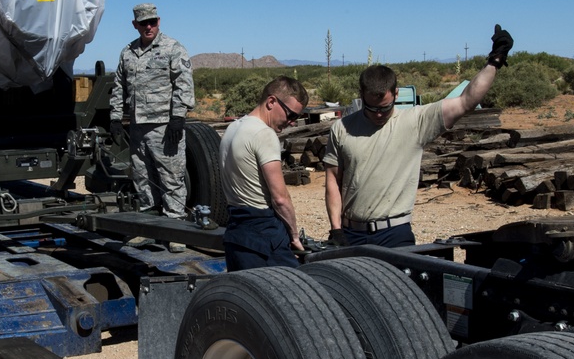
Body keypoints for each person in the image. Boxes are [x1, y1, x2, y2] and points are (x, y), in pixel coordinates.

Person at [325, 24, 513, 248]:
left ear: (396, 93)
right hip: (351, 233)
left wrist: (495, 61)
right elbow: (332, 183)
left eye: (385, 108)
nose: (378, 114)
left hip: (394, 233)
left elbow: (467, 101)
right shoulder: (342, 128)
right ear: (361, 95)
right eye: (371, 107)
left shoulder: (416, 121)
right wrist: (336, 230)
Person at [109, 3, 195, 252]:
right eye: (144, 23)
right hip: (137, 127)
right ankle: (148, 226)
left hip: (164, 126)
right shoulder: (128, 52)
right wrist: (116, 118)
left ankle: (175, 229)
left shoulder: (172, 48)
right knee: (142, 177)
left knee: (170, 176)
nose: (149, 27)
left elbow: (184, 84)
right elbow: (119, 86)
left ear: (159, 21)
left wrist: (178, 117)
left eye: (153, 22)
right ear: (135, 25)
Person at [220, 76, 309, 270]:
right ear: (271, 102)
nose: (292, 123)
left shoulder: (232, 128)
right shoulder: (263, 134)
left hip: (236, 232)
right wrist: (294, 236)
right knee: (295, 293)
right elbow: (280, 198)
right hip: (262, 232)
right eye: (291, 115)